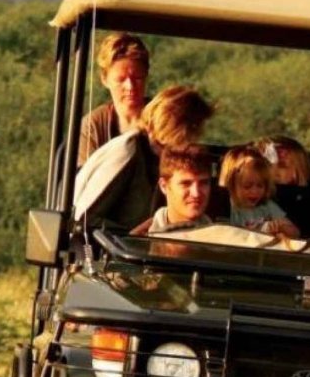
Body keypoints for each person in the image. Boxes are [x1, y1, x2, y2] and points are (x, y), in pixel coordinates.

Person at [74, 85, 214, 232]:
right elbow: (83, 220)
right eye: (196, 128)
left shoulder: (160, 157)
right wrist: (136, 238)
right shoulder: (126, 151)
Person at [78, 33, 150, 165]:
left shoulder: (165, 118)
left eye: (137, 78)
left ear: (146, 75)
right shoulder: (92, 126)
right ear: (104, 79)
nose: (130, 86)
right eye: (120, 79)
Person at [220, 145, 300, 238]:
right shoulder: (229, 207)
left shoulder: (267, 206)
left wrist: (281, 227)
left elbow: (296, 233)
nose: (254, 191)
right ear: (232, 186)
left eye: (260, 186)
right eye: (247, 186)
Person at [134, 145, 215, 235]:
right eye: (185, 183)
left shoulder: (222, 240)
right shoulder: (138, 242)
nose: (196, 193)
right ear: (164, 186)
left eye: (203, 183)